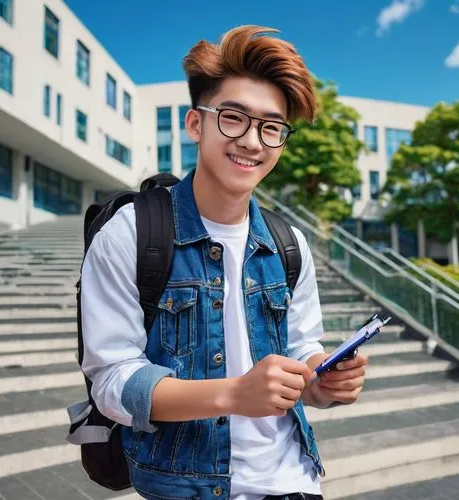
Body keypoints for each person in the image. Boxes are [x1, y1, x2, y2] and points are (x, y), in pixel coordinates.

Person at [80, 25, 368, 500]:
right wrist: (233, 395)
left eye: (272, 127)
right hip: (187, 488)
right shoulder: (132, 232)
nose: (253, 141)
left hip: (296, 482)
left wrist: (322, 379)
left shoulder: (288, 242)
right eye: (234, 118)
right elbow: (112, 382)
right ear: (196, 124)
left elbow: (300, 347)